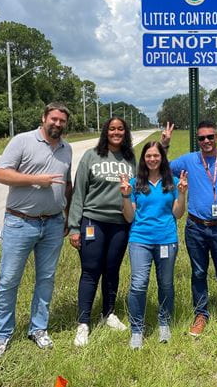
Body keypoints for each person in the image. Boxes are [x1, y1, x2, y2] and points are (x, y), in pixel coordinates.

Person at [0, 102, 72, 360]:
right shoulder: (22, 141)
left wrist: (67, 215)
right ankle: (2, 335)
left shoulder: (67, 148)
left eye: (62, 121)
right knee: (9, 279)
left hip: (54, 222)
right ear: (44, 117)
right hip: (20, 222)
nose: (57, 124)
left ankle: (38, 329)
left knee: (46, 279)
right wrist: (37, 179)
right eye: (54, 119)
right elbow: (0, 174)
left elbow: (67, 184)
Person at [162, 121, 217, 337]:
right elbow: (162, 168)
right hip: (196, 227)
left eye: (210, 137)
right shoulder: (189, 160)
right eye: (201, 138)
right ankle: (201, 314)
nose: (206, 141)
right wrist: (165, 144)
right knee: (198, 272)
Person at [68, 117, 136, 346]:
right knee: (90, 270)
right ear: (105, 131)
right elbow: (79, 193)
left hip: (119, 223)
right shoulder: (91, 156)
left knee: (112, 269)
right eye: (112, 129)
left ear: (125, 133)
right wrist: (74, 227)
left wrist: (164, 144)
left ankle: (109, 313)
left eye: (120, 129)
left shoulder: (130, 158)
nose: (116, 132)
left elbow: (143, 181)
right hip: (92, 220)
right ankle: (83, 322)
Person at [120, 141, 188, 349]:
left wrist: (182, 193)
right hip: (140, 240)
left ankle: (164, 323)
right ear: (143, 159)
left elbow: (178, 213)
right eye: (148, 156)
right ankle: (137, 329)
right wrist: (124, 195)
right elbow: (129, 217)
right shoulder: (134, 183)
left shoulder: (174, 182)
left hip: (167, 239)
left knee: (166, 283)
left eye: (156, 156)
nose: (152, 159)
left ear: (162, 158)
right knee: (138, 284)